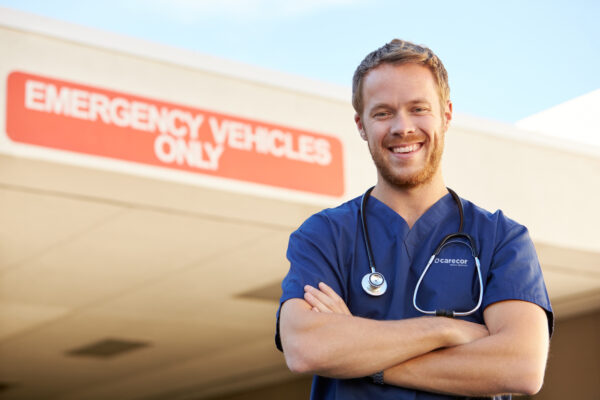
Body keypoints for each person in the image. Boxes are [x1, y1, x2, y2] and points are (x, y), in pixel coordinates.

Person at [275, 39, 553, 400]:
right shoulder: (324, 236)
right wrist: (446, 330)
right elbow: (305, 347)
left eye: (418, 108)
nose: (402, 127)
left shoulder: (501, 239)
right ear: (361, 125)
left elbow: (521, 367)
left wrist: (363, 357)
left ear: (447, 114)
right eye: (383, 113)